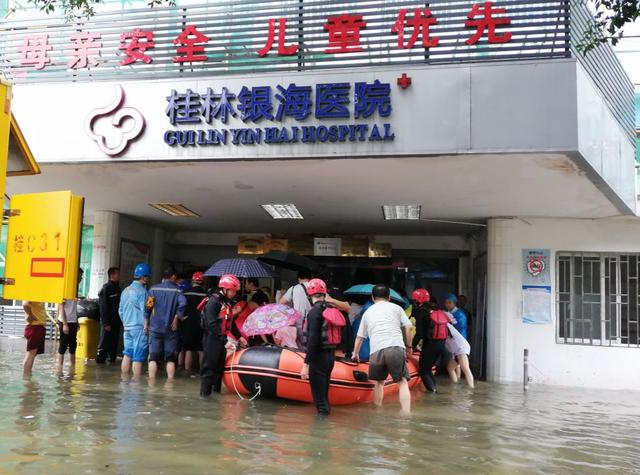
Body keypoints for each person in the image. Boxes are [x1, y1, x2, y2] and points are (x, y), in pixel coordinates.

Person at [352, 284, 413, 413]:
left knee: (379, 383)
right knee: (402, 382)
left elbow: (360, 337)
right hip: (395, 347)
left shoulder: (368, 312)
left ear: (373, 298)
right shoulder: (397, 308)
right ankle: (406, 415)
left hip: (376, 351)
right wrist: (409, 346)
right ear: (389, 297)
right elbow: (408, 327)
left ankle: (377, 411)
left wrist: (355, 354)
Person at [300, 278, 344, 416]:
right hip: (330, 357)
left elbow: (313, 340)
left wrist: (306, 364)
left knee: (320, 402)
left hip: (318, 358)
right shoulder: (331, 309)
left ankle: (320, 432)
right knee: (324, 397)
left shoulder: (314, 313)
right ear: (324, 294)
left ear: (309, 295)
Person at [201, 274, 241, 397]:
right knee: (209, 369)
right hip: (212, 339)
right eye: (232, 291)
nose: (234, 294)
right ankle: (205, 397)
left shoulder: (226, 302)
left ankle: (216, 394)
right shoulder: (214, 301)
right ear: (225, 288)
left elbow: (230, 322)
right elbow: (211, 324)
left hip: (221, 339)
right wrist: (224, 341)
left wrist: (239, 336)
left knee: (219, 369)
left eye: (235, 291)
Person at [145, 266, 187, 380]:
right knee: (170, 358)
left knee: (153, 357)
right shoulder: (178, 291)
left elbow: (148, 308)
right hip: (171, 329)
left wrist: (145, 324)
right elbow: (183, 304)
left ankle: (151, 382)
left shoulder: (153, 290)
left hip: (155, 328)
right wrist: (177, 317)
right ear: (173, 277)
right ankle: (170, 384)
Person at [412, 289, 452, 393]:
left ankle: (432, 394)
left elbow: (419, 333)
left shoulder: (421, 311)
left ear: (417, 300)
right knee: (428, 369)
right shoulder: (436, 308)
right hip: (442, 343)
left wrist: (411, 346)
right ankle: (434, 390)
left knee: (424, 371)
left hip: (430, 344)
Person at [119, 263, 151, 379]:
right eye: (148, 276)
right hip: (139, 327)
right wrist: (146, 326)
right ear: (144, 277)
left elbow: (120, 311)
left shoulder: (125, 291)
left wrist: (125, 323)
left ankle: (124, 381)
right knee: (138, 357)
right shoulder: (143, 292)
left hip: (127, 327)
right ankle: (136, 385)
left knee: (127, 354)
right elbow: (145, 311)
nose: (148, 279)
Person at [56, 268, 84, 370]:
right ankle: (59, 368)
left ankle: (72, 369)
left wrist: (76, 321)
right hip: (65, 321)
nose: (81, 278)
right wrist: (65, 324)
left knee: (73, 345)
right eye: (80, 276)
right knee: (63, 346)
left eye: (81, 276)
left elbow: (74, 308)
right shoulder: (65, 289)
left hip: (73, 321)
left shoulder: (75, 290)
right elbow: (61, 307)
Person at [182, 272, 207, 373]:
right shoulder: (206, 294)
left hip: (188, 323)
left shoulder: (186, 293)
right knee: (201, 349)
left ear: (193, 281)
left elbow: (182, 308)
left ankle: (187, 372)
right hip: (201, 324)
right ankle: (202, 372)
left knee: (188, 349)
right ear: (203, 282)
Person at [279, 270, 312, 347]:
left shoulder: (293, 289)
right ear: (310, 278)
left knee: (299, 348)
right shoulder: (314, 288)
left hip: (297, 323)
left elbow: (280, 302)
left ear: (299, 278)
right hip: (312, 322)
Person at [96, 267, 122, 364]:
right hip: (107, 323)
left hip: (116, 322)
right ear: (112, 275)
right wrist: (106, 323)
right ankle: (100, 362)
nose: (119, 276)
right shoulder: (106, 288)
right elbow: (103, 307)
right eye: (118, 274)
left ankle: (112, 360)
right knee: (104, 344)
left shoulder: (118, 288)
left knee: (113, 345)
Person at [22, 301, 50, 377]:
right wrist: (31, 315)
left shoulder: (38, 294)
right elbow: (25, 304)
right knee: (30, 354)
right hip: (35, 326)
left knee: (32, 354)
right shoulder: (32, 291)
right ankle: (26, 378)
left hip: (38, 326)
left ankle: (28, 375)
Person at [446, 323, 475, 388]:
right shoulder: (444, 325)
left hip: (461, 349)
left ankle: (471, 388)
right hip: (457, 350)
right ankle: (455, 384)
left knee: (465, 368)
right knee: (450, 368)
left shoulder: (446, 325)